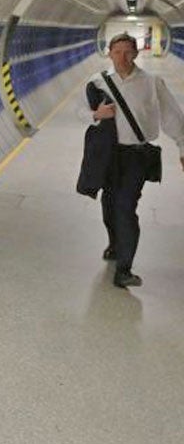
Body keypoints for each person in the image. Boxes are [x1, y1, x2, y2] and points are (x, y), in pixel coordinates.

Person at [86, 32, 184, 288]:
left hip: (136, 157)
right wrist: (96, 114)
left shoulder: (152, 82)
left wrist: (182, 146)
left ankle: (124, 269)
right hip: (109, 155)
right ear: (109, 53)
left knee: (125, 208)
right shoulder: (98, 82)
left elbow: (172, 116)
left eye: (128, 52)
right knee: (108, 205)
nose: (122, 57)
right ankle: (115, 244)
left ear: (136, 53)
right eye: (117, 52)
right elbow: (79, 112)